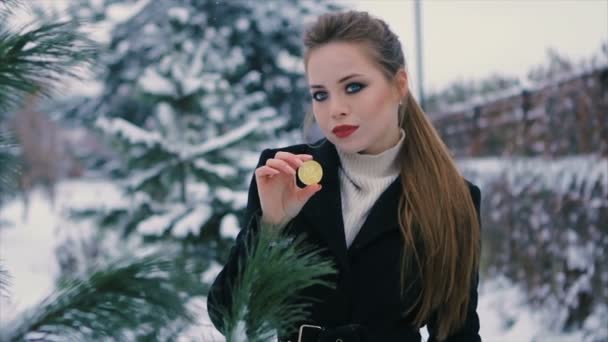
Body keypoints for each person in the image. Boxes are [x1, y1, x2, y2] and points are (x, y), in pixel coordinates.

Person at [208, 10, 482, 342]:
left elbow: (456, 332)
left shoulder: (452, 198)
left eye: (353, 87)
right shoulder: (286, 174)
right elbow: (230, 317)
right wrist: (269, 228)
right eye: (320, 94)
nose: (335, 108)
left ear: (399, 85)